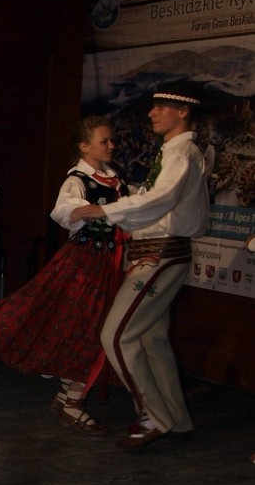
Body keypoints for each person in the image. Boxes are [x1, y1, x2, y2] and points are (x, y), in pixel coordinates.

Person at [0, 116, 127, 434]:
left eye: (111, 140)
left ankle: (68, 398)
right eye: (103, 141)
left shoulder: (112, 177)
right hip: (85, 262)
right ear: (84, 146)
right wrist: (91, 212)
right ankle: (71, 402)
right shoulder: (78, 179)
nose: (111, 145)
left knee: (89, 327)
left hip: (106, 262)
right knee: (84, 328)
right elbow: (64, 210)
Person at [72, 82, 209, 449]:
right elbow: (154, 198)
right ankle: (176, 418)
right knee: (151, 338)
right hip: (157, 252)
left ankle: (154, 415)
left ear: (182, 112)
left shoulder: (181, 155)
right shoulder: (174, 153)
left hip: (160, 254)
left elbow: (163, 199)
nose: (152, 113)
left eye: (161, 106)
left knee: (116, 336)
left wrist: (105, 209)